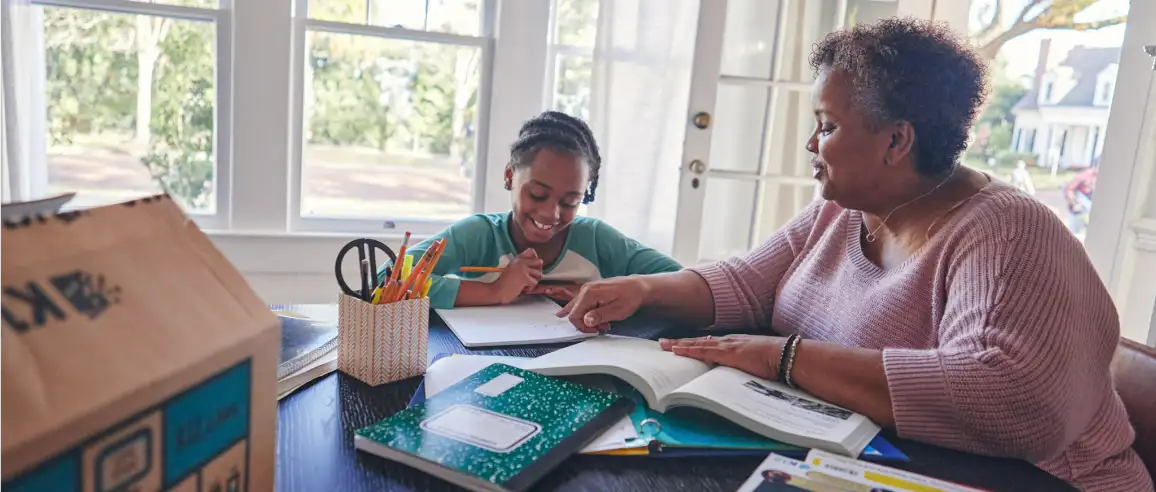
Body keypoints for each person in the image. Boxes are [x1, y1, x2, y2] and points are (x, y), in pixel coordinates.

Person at [556, 19, 1151, 491]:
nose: (811, 144)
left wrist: (784, 359)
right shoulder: (845, 208)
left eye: (827, 126)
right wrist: (642, 289)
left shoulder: (1011, 234)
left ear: (896, 140)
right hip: (882, 461)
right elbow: (745, 283)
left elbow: (1014, 404)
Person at [377, 111, 680, 310]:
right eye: (537, 194)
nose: (551, 214)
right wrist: (494, 291)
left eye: (570, 202)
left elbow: (685, 283)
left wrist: (604, 294)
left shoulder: (597, 240)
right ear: (510, 176)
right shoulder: (478, 236)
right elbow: (385, 281)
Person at [1065, 166, 1098, 235]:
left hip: (1089, 206)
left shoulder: (1098, 176)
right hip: (1078, 206)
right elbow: (1069, 189)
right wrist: (1074, 203)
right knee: (1073, 232)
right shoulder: (1083, 176)